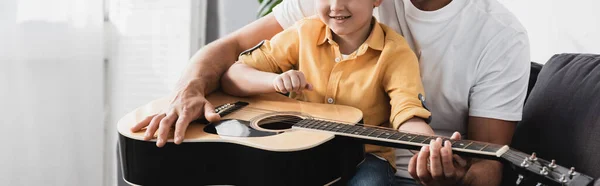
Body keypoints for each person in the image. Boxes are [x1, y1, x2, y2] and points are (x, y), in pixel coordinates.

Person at [131, 0, 530, 185]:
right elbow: (230, 54)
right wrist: (190, 89)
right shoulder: (319, 14)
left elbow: (488, 165)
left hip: (383, 166)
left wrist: (447, 169)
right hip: (302, 157)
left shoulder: (497, 34)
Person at [220, 0, 433, 184]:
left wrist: (434, 149)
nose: (336, 6)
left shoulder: (396, 52)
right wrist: (274, 80)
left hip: (366, 158)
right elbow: (233, 76)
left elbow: (407, 114)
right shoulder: (303, 33)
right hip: (299, 150)